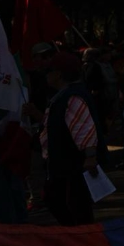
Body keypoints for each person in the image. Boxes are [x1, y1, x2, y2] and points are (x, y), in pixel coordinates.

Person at [33, 52, 107, 225]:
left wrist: (90, 156)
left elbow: (85, 128)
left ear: (58, 74)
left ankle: (81, 239)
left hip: (71, 167)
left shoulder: (72, 97)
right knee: (60, 201)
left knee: (74, 208)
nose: (46, 75)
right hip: (64, 166)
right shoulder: (64, 96)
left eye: (49, 71)